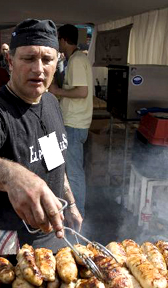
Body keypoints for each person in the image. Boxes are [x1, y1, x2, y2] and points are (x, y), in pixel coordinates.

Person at [0, 19, 82, 252]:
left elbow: (54, 158)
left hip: (51, 233)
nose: (38, 68)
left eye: (47, 59)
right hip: (8, 242)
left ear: (57, 62)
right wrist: (13, 176)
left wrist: (71, 203)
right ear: (10, 61)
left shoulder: (50, 101)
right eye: (28, 58)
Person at [49, 24, 94, 217]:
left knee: (74, 172)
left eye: (58, 39)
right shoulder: (73, 60)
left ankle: (78, 214)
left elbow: (81, 91)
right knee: (64, 168)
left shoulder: (76, 60)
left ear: (63, 40)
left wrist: (57, 91)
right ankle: (68, 210)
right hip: (70, 122)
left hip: (74, 124)